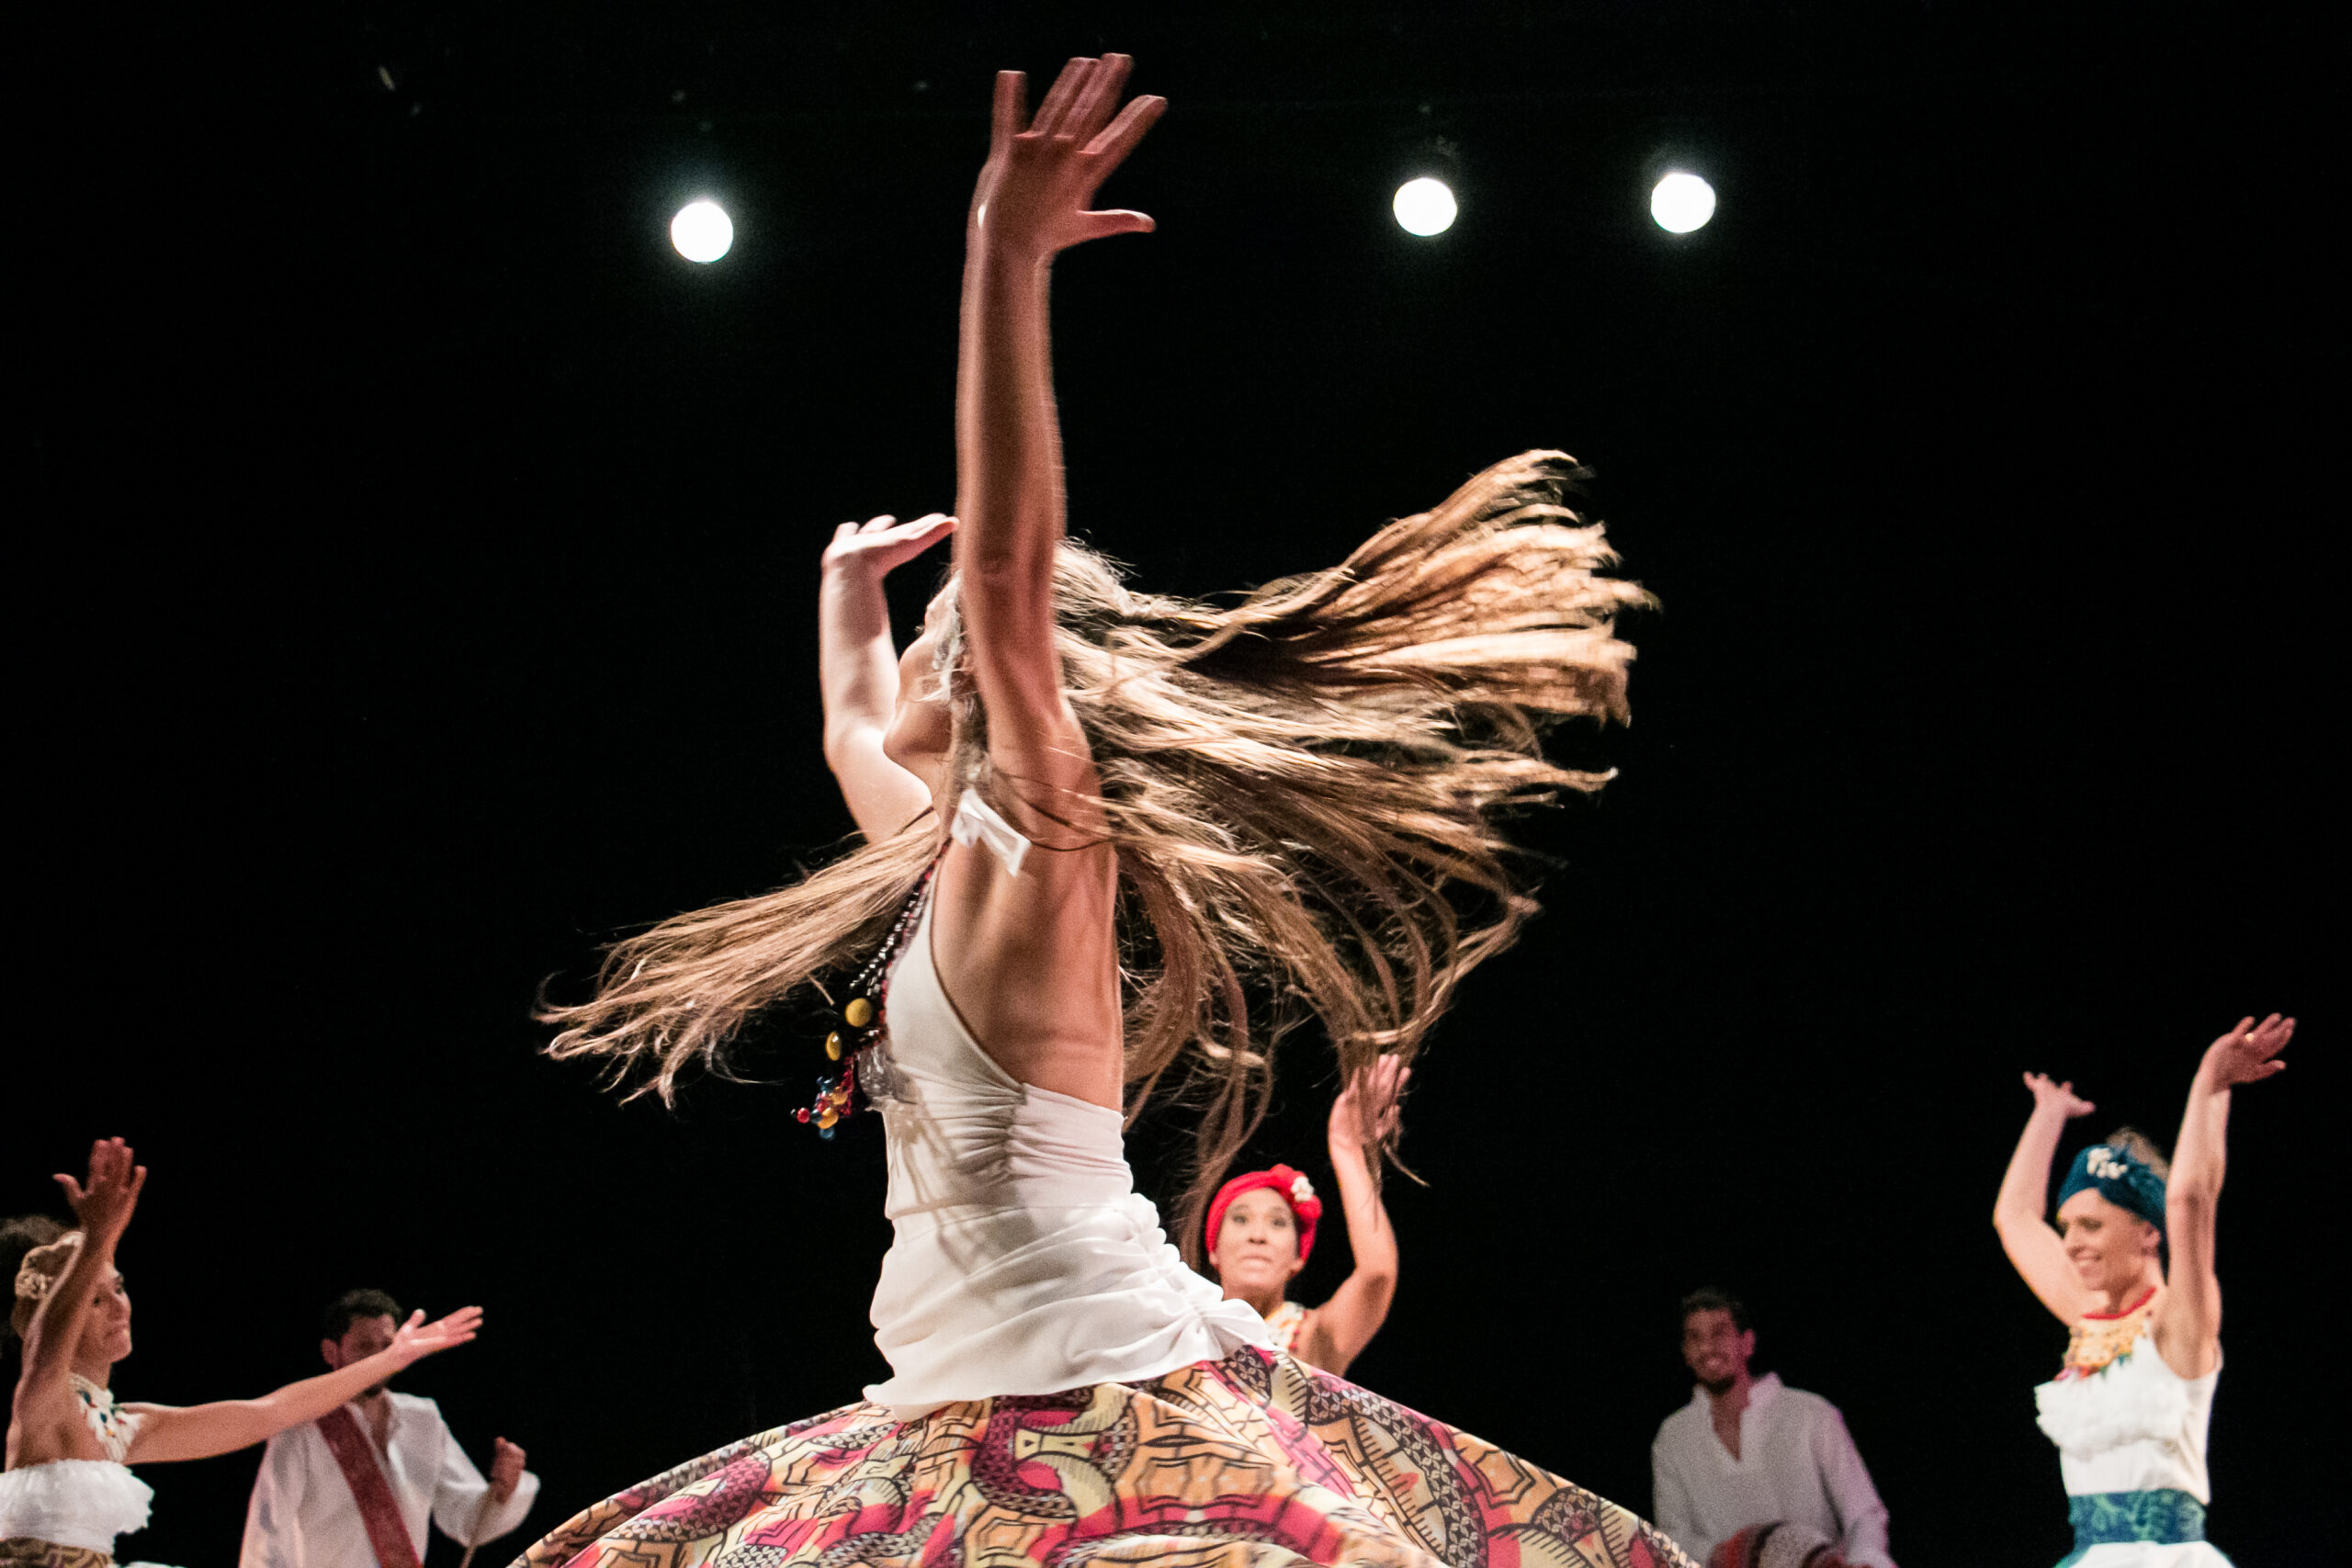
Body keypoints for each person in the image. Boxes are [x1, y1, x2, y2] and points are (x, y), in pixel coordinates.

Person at [523, 52, 1680, 1568]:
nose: (921, 640)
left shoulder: (1039, 837)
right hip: (963, 1398)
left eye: (935, 628)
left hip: (1094, 1390)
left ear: (986, 675)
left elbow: (1008, 568)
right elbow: (848, 724)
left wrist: (1002, 256)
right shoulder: (935, 863)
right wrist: (842, 591)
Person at [2, 1139, 481, 1568]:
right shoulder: (46, 1404)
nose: (119, 1306)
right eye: (94, 1299)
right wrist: (98, 1240)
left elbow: (271, 1412)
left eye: (120, 1287)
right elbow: (44, 1353)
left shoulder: (123, 1425)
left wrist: (390, 1359)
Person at [1993, 1012, 2292, 1567]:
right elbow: (2014, 1218)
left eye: (2091, 1226)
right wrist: (2049, 1112)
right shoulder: (2087, 1318)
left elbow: (2191, 1199)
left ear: (2148, 1233)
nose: (2072, 1244)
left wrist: (2211, 1083)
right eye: (2067, 1227)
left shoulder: (2179, 1324)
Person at [239, 1288, 537, 1568]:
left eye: (387, 1347)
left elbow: (467, 1519)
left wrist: (502, 1491)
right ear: (330, 1352)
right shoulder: (301, 1426)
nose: (379, 1359)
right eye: (364, 1347)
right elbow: (267, 1535)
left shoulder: (424, 1418)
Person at [1649, 1290, 1894, 1568]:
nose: (1707, 1348)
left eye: (1719, 1333)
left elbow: (1863, 1513)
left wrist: (1863, 1560)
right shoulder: (1673, 1438)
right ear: (1685, 1353)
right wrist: (1724, 1553)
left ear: (1747, 1343)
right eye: (1695, 1338)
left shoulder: (1810, 1414)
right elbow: (1673, 1536)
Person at [1197, 1058, 1406, 1377]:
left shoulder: (1315, 1337)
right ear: (1213, 1248)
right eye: (1240, 1219)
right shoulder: (1182, 1329)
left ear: (1298, 1258)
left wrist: (1347, 1149)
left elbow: (1377, 1273)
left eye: (1278, 1223)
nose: (1258, 1235)